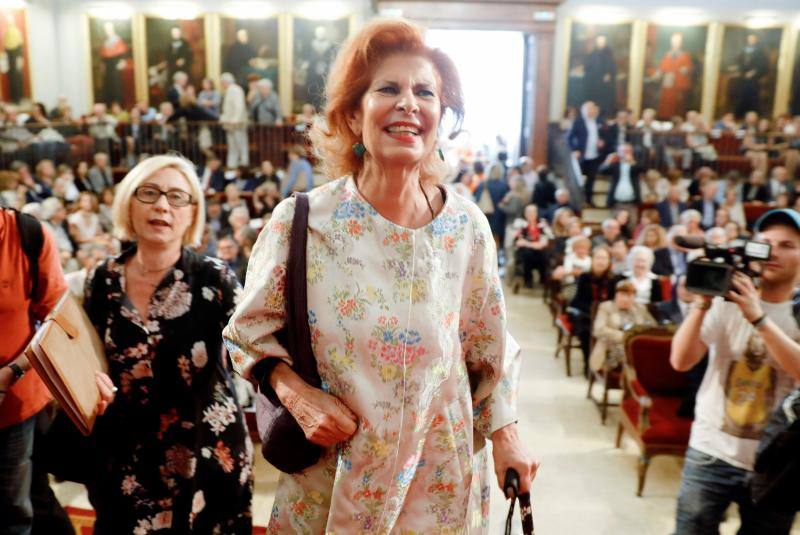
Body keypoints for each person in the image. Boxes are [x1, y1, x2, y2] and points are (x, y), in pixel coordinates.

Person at [223, 19, 537, 533]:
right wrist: (298, 396)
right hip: (334, 481)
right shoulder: (302, 221)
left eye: (425, 92)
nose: (409, 103)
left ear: (440, 117)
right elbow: (245, 334)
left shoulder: (466, 228)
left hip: (442, 485)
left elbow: (489, 352)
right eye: (388, 89)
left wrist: (508, 435)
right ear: (352, 114)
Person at [83, 155, 253, 533]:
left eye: (177, 197)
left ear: (192, 213)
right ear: (129, 202)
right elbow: (88, 358)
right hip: (123, 457)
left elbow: (255, 351)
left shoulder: (215, 279)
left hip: (204, 455)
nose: (162, 205)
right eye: (150, 193)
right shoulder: (102, 279)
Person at [670, 208, 800, 534]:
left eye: (787, 245)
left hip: (776, 464)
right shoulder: (724, 301)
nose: (773, 252)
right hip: (710, 450)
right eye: (766, 242)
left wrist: (759, 318)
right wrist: (701, 303)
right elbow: (681, 361)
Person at [0, 206, 113, 535]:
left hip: (12, 404)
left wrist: (12, 371)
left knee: (14, 512)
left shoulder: (24, 234)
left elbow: (58, 318)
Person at [569, 246, 620, 375]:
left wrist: (602, 312)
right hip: (586, 314)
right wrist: (593, 311)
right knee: (586, 332)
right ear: (593, 260)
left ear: (609, 261)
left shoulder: (613, 279)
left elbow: (614, 301)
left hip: (606, 315)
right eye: (598, 258)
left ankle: (607, 364)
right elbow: (577, 300)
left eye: (604, 258)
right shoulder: (585, 277)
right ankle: (588, 364)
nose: (601, 261)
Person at [589, 280, 655, 373]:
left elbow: (653, 326)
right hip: (612, 349)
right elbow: (599, 330)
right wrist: (625, 337)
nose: (625, 299)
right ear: (616, 295)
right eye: (622, 294)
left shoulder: (640, 308)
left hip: (636, 347)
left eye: (629, 295)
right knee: (632, 356)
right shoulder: (606, 307)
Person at [567, 101, 606, 206]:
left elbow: (605, 136)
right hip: (582, 155)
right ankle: (579, 200)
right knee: (580, 179)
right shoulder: (578, 122)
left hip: (595, 155)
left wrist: (602, 141)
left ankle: (589, 199)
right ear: (583, 111)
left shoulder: (599, 121)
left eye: (591, 109)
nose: (590, 111)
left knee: (591, 178)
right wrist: (575, 149)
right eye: (587, 109)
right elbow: (569, 137)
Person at [654, 32, 693, 119]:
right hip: (667, 85)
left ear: (681, 42)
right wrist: (659, 74)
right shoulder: (667, 55)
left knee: (678, 106)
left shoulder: (685, 56)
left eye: (678, 41)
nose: (675, 43)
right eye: (674, 40)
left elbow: (687, 70)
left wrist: (682, 72)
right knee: (665, 105)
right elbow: (662, 68)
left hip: (678, 86)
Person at [729, 33, 768, 118]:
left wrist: (754, 72)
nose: (751, 40)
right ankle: (739, 116)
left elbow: (763, 66)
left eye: (753, 39)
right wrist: (738, 70)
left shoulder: (760, 52)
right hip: (742, 80)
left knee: (753, 100)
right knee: (740, 98)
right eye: (750, 39)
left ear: (756, 40)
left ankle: (752, 118)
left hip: (753, 81)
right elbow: (739, 63)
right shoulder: (743, 51)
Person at [513, 203, 549, 289]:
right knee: (527, 253)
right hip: (525, 253)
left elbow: (544, 242)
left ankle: (543, 279)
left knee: (542, 253)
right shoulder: (520, 224)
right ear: (525, 213)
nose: (531, 214)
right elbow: (518, 242)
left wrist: (527, 243)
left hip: (539, 252)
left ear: (537, 213)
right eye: (528, 212)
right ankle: (528, 280)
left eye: (533, 212)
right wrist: (534, 245)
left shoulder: (542, 224)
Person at [601, 142, 642, 214]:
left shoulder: (635, 164)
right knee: (615, 224)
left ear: (631, 152)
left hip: (632, 203)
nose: (625, 153)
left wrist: (632, 161)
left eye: (627, 151)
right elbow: (602, 171)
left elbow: (643, 170)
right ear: (618, 152)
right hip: (616, 203)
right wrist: (608, 160)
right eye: (623, 151)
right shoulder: (615, 165)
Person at [219, 72, 249, 169]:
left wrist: (235, 119)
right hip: (230, 124)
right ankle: (232, 165)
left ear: (225, 82)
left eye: (222, 82)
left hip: (237, 124)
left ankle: (244, 165)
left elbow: (239, 106)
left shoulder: (235, 90)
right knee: (232, 146)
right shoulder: (228, 90)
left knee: (241, 144)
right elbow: (227, 109)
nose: (221, 85)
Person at [583, 35, 617, 117]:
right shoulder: (592, 53)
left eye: (602, 41)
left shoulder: (609, 53)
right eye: (599, 41)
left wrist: (608, 74)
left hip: (605, 85)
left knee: (605, 103)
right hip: (594, 83)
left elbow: (612, 67)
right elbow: (588, 67)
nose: (600, 43)